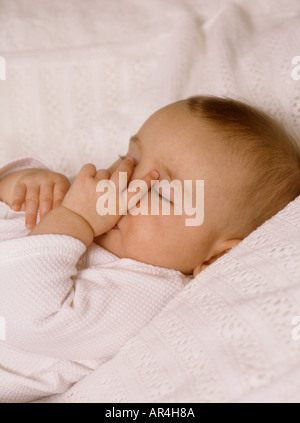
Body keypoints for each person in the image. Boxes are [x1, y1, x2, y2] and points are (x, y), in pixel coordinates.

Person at [0, 95, 299, 402]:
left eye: (159, 192)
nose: (126, 181)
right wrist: (22, 183)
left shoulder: (143, 291)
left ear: (218, 257)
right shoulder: (91, 208)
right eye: (130, 157)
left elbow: (26, 318)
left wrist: (74, 220)